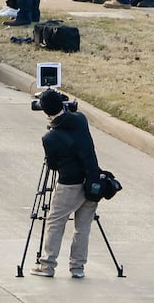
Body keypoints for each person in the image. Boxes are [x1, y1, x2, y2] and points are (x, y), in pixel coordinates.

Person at [31, 88, 102, 279]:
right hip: (92, 181)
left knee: (55, 222)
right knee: (83, 227)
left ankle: (47, 265)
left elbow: (52, 165)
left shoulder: (50, 138)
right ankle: (77, 268)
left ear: (46, 112)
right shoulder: (80, 120)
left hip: (69, 185)